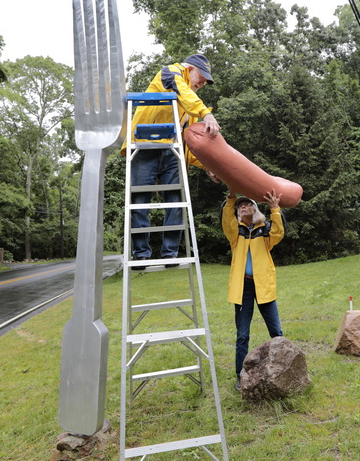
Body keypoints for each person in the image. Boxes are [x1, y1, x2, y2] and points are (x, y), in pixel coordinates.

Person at [121, 54, 220, 264]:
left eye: (205, 82)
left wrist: (206, 166)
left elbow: (189, 141)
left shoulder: (188, 105)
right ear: (190, 68)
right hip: (144, 146)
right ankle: (141, 254)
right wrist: (206, 114)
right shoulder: (170, 72)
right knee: (140, 201)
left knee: (175, 200)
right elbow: (181, 89)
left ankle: (170, 253)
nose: (202, 83)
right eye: (201, 77)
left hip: (171, 152)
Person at [222, 189, 285, 391]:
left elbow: (278, 233)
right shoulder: (235, 232)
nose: (243, 206)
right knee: (242, 335)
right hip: (243, 288)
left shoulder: (264, 230)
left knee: (276, 332)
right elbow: (226, 219)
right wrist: (231, 197)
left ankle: (285, 367)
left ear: (255, 209)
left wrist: (275, 209)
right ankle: (241, 376)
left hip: (263, 286)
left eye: (247, 204)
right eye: (240, 205)